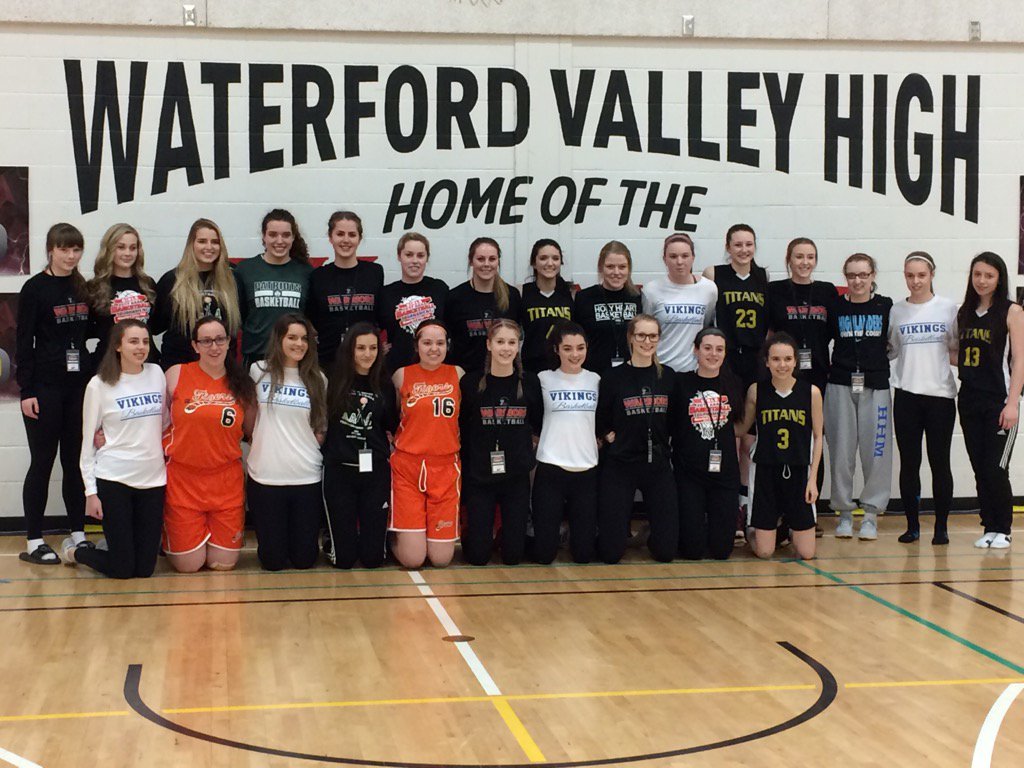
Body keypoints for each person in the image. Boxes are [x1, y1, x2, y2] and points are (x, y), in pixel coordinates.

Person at [16, 223, 92, 564]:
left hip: (78, 387)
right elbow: (23, 342)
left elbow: (94, 330)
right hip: (44, 388)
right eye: (64, 249)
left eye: (76, 249)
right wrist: (26, 390)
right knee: (43, 461)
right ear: (50, 250)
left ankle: (78, 534)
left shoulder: (83, 286)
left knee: (75, 462)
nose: (70, 256)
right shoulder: (35, 288)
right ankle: (34, 540)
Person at [65, 320, 166, 578]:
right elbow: (87, 443)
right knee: (123, 570)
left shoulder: (157, 374)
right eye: (133, 341)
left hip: (153, 480)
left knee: (145, 570)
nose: (141, 347)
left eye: (145, 341)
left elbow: (164, 422)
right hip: (114, 479)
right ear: (118, 346)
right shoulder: (99, 385)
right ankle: (76, 552)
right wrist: (91, 492)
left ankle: (116, 546)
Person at [163, 317, 255, 572]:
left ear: (228, 342)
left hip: (226, 481)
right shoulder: (176, 374)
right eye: (206, 341)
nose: (214, 347)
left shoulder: (242, 383)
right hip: (183, 480)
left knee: (222, 564)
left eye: (220, 339)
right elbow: (154, 419)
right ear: (195, 345)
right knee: (188, 566)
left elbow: (252, 432)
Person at [767, 237, 839, 532]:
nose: (804, 262)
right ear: (789, 259)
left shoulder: (826, 291)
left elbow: (834, 331)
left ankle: (809, 511)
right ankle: (779, 510)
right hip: (784, 376)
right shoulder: (775, 290)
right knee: (783, 439)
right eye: (799, 256)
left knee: (813, 440)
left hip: (817, 376)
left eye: (810, 257)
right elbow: (769, 333)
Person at [702, 224, 768, 536]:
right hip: (726, 361)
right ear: (728, 247)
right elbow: (706, 319)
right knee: (724, 436)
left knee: (749, 440)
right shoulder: (713, 274)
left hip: (753, 361)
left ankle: (744, 505)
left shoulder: (763, 276)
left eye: (748, 244)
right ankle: (717, 503)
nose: (744, 250)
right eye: (738, 244)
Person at [888, 252, 958, 545]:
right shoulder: (896, 311)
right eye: (910, 275)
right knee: (909, 464)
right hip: (906, 396)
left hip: (940, 397)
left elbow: (956, 351)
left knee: (940, 463)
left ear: (932, 275)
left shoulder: (948, 308)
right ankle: (912, 526)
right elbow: (890, 350)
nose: (915, 281)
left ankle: (941, 527)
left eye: (921, 275)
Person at [247, 314, 327, 571]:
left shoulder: (318, 379)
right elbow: (250, 418)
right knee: (272, 561)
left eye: (304, 339)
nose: (299, 344)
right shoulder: (258, 371)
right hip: (266, 477)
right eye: (292, 337)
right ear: (279, 339)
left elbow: (320, 426)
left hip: (305, 477)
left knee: (305, 560)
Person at [459, 320, 542, 565]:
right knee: (478, 557)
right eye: (500, 342)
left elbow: (537, 423)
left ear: (518, 346)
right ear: (489, 344)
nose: (506, 348)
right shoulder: (471, 383)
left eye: (511, 342)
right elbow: (462, 426)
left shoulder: (530, 383)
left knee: (513, 557)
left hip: (515, 477)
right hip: (480, 477)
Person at [955, 252, 1024, 549]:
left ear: (999, 279)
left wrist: (1012, 403)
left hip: (999, 400)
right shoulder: (964, 312)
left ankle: (1003, 528)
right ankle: (989, 525)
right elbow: (958, 354)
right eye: (977, 274)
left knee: (996, 467)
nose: (982, 280)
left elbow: (1019, 360)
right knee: (979, 467)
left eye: (989, 275)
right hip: (969, 398)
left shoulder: (1012, 311)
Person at [596, 314, 677, 563]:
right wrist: (606, 435)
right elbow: (600, 417)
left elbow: (674, 419)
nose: (647, 341)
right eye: (641, 335)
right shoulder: (612, 377)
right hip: (621, 463)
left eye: (652, 336)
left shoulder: (668, 376)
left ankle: (649, 535)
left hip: (657, 464)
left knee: (666, 553)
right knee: (610, 555)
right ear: (631, 337)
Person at [737, 333, 823, 560]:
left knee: (806, 553)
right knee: (765, 552)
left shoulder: (811, 392)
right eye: (775, 359)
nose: (782, 365)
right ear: (766, 362)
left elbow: (818, 437)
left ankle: (786, 528)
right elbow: (742, 428)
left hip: (799, 471)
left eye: (787, 359)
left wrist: (813, 479)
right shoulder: (756, 391)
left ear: (795, 361)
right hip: (765, 471)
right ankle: (752, 528)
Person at [826, 254, 893, 541]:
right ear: (846, 277)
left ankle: (870, 515)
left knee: (876, 452)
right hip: (840, 384)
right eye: (852, 275)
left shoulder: (886, 306)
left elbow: (893, 344)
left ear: (873, 275)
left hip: (876, 386)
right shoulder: (836, 307)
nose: (858, 281)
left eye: (863, 274)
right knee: (841, 452)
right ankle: (843, 512)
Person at [322, 322, 398, 568]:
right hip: (340, 470)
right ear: (350, 349)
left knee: (372, 559)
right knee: (344, 560)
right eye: (361, 348)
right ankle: (332, 540)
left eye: (373, 348)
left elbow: (391, 425)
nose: (367, 354)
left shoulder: (385, 384)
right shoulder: (332, 379)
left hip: (374, 471)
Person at [390, 320, 464, 568]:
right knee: (413, 559)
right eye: (427, 342)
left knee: (441, 559)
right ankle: (391, 538)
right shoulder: (401, 375)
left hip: (445, 468)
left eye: (440, 343)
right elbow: (392, 416)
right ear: (417, 346)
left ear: (447, 346)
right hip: (408, 467)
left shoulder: (458, 374)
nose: (434, 348)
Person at [673, 328, 745, 560]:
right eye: (707, 348)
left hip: (724, 474)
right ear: (695, 350)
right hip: (690, 473)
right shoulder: (681, 383)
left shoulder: (734, 383)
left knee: (722, 551)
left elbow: (740, 425)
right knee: (691, 552)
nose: (713, 354)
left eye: (719, 349)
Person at [533, 322, 600, 564]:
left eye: (580, 348)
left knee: (583, 555)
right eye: (568, 348)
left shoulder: (595, 380)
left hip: (586, 469)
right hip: (551, 468)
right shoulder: (543, 379)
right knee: (544, 555)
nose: (575, 354)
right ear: (556, 349)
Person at [153, 218, 241, 369]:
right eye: (202, 241)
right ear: (191, 245)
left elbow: (243, 319)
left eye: (215, 242)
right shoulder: (172, 280)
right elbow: (156, 326)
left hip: (223, 367)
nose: (209, 247)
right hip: (181, 366)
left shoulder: (233, 279)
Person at [235, 209, 313, 367]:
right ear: (263, 236)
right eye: (273, 234)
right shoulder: (245, 270)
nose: (279, 240)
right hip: (256, 357)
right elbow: (240, 316)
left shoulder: (306, 272)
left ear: (293, 237)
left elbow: (310, 316)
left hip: (293, 358)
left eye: (286, 235)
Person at [308, 211, 384, 370]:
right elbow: (313, 319)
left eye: (352, 234)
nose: (346, 240)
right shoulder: (318, 276)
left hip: (366, 362)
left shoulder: (374, 273)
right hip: (329, 361)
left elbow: (380, 314)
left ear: (359, 238)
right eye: (340, 234)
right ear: (331, 237)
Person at [641, 233, 717, 372]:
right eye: (673, 256)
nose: (679, 261)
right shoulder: (651, 290)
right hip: (661, 369)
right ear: (665, 259)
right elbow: (646, 331)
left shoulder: (708, 289)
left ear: (693, 258)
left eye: (685, 256)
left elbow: (706, 324)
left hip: (693, 370)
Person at [445, 237, 522, 372]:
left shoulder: (512, 295)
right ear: (471, 261)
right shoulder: (455, 297)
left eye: (492, 259)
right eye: (480, 259)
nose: (486, 264)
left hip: (503, 374)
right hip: (465, 375)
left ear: (498, 261)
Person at [86, 223, 159, 363]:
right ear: (109, 249)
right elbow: (88, 330)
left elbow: (155, 325)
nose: (128, 253)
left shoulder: (148, 284)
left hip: (145, 361)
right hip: (109, 363)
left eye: (133, 248)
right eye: (121, 247)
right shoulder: (94, 287)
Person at [378, 231, 448, 372]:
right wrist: (377, 347)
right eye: (409, 255)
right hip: (398, 368)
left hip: (435, 367)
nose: (415, 261)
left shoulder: (439, 289)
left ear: (427, 258)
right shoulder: (386, 293)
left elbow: (451, 326)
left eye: (420, 255)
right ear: (399, 256)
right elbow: (372, 327)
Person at [574, 241, 642, 373]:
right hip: (594, 373)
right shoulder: (584, 297)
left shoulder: (637, 298)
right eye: (610, 266)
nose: (616, 272)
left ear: (629, 269)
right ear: (601, 267)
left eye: (622, 267)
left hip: (630, 374)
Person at [519, 238, 574, 373]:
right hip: (531, 367)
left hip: (564, 367)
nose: (550, 263)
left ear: (560, 262)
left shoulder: (571, 294)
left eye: (555, 258)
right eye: (543, 258)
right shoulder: (522, 292)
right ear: (534, 263)